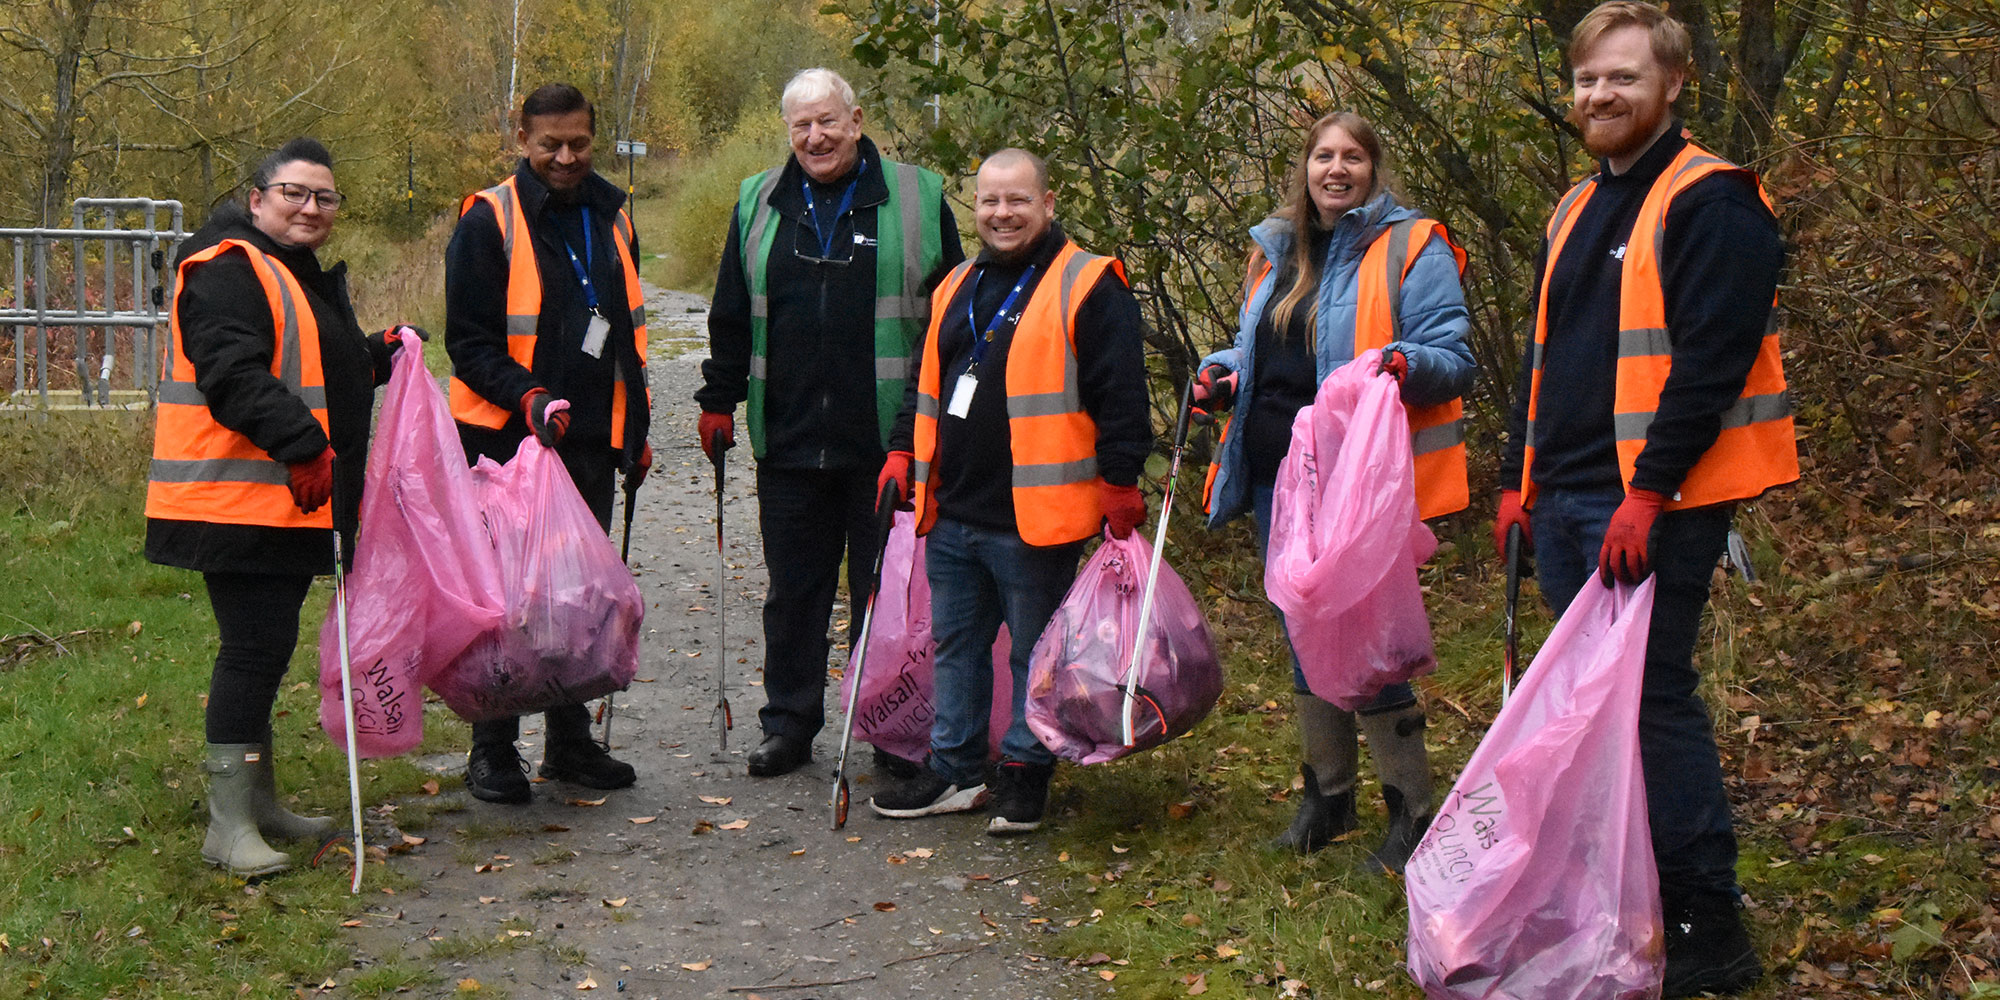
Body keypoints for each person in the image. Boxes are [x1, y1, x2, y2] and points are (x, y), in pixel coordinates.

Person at [1495, 2, 1794, 994]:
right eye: (1587, 79)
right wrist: (1514, 478)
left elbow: (1707, 364)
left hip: (1653, 509)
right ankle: (1617, 895)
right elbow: (1541, 358)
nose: (1600, 95)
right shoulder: (1574, 208)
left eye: (1622, 77)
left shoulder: (1711, 201)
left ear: (1671, 85)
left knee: (1651, 701)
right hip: (1569, 499)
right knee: (1588, 713)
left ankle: (1709, 926)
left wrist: (1650, 493)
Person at [1193, 112, 1474, 873]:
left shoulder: (1414, 246)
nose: (1336, 168)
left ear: (1375, 169)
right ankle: (1327, 797)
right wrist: (1221, 371)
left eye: (1353, 156)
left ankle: (1410, 811)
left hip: (1354, 486)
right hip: (1273, 480)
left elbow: (1453, 356)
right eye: (1324, 155)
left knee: (1367, 643)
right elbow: (1265, 346)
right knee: (1302, 635)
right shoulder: (1275, 249)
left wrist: (1399, 361)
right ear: (1305, 167)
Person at [146, 137, 415, 875]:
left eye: (325, 197)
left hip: (281, 501)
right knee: (252, 648)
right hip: (233, 498)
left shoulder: (287, 272)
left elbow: (311, 365)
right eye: (295, 192)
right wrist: (302, 446)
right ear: (256, 197)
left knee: (264, 649)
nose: (311, 207)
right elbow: (231, 370)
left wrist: (378, 352)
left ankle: (258, 805)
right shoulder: (227, 267)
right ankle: (226, 826)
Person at [868, 148, 1151, 835]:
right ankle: (956, 770)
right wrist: (903, 449)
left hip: (1036, 519)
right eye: (991, 201)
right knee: (956, 647)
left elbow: (1122, 395)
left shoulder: (1088, 284)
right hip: (954, 507)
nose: (1003, 213)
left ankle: (1025, 774)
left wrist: (1120, 482)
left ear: (1048, 204)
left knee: (1034, 653)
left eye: (1018, 200)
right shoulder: (956, 284)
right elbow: (924, 380)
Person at [696, 68, 962, 778]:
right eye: (801, 126)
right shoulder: (757, 200)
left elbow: (951, 327)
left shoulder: (918, 196)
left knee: (888, 592)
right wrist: (717, 399)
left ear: (857, 119)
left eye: (828, 122)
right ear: (788, 131)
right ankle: (789, 724)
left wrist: (918, 438)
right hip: (785, 440)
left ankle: (891, 725)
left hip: (886, 443)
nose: (815, 137)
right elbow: (730, 311)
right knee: (794, 592)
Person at [446, 82, 653, 804]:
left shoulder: (613, 215)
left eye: (579, 144)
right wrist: (526, 395)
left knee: (579, 600)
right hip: (504, 445)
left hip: (590, 442)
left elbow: (626, 331)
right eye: (550, 145)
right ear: (522, 141)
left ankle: (569, 743)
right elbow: (467, 343)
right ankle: (493, 750)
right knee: (506, 602)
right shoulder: (488, 219)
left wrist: (638, 431)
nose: (566, 158)